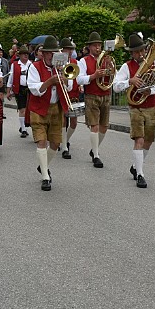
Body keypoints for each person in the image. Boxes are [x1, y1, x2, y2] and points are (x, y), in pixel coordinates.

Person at [112, 33, 155, 189]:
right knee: (139, 139)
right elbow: (116, 86)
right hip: (136, 107)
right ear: (131, 53)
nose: (141, 54)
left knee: (148, 140)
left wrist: (150, 91)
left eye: (142, 50)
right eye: (137, 52)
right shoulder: (127, 66)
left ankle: (135, 166)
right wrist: (130, 81)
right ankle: (140, 174)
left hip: (151, 105)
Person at [27, 36, 74, 191]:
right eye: (49, 53)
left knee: (55, 143)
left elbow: (69, 87)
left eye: (55, 53)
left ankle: (43, 166)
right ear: (44, 54)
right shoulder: (35, 67)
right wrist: (50, 81)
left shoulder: (61, 67)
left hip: (56, 108)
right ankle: (45, 177)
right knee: (42, 141)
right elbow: (34, 89)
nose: (52, 56)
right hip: (39, 108)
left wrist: (63, 78)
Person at [76, 32, 111, 167]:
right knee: (94, 125)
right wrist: (93, 76)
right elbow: (79, 79)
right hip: (91, 95)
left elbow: (114, 76)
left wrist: (110, 71)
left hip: (106, 94)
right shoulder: (84, 61)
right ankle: (96, 155)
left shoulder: (106, 59)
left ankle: (94, 149)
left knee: (104, 126)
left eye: (99, 45)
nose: (98, 48)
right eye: (95, 45)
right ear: (89, 47)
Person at [59, 37, 80, 158]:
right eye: (68, 49)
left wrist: (81, 85)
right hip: (61, 94)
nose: (70, 51)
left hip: (73, 94)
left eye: (71, 49)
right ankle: (65, 148)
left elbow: (78, 76)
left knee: (74, 122)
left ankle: (65, 140)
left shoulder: (74, 62)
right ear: (62, 50)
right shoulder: (57, 62)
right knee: (63, 121)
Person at [8, 46, 32, 138]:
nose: (26, 55)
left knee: (29, 109)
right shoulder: (15, 64)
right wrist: (8, 90)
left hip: (30, 89)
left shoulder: (31, 64)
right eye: (24, 54)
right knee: (22, 109)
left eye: (27, 54)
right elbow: (11, 77)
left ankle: (26, 125)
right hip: (20, 89)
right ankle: (23, 129)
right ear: (20, 55)